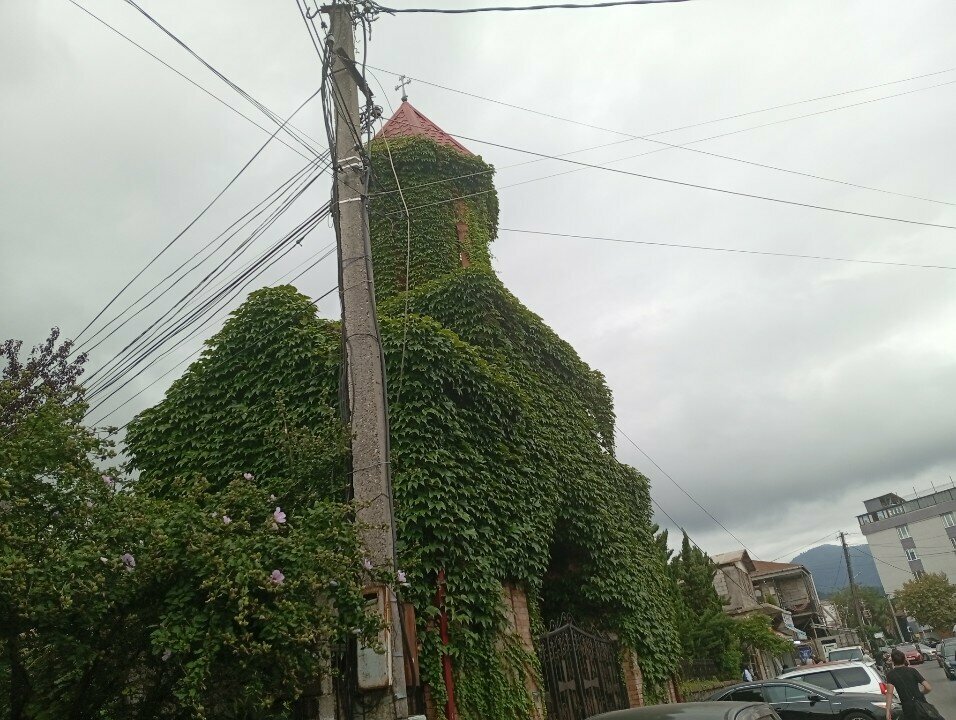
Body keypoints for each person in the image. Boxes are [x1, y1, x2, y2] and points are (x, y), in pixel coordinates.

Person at [885, 648, 932, 720]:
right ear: (904, 659)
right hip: (921, 704)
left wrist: (888, 710)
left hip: (908, 707)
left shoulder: (891, 675)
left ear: (893, 661)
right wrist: (921, 693)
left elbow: (889, 693)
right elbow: (928, 687)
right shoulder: (912, 671)